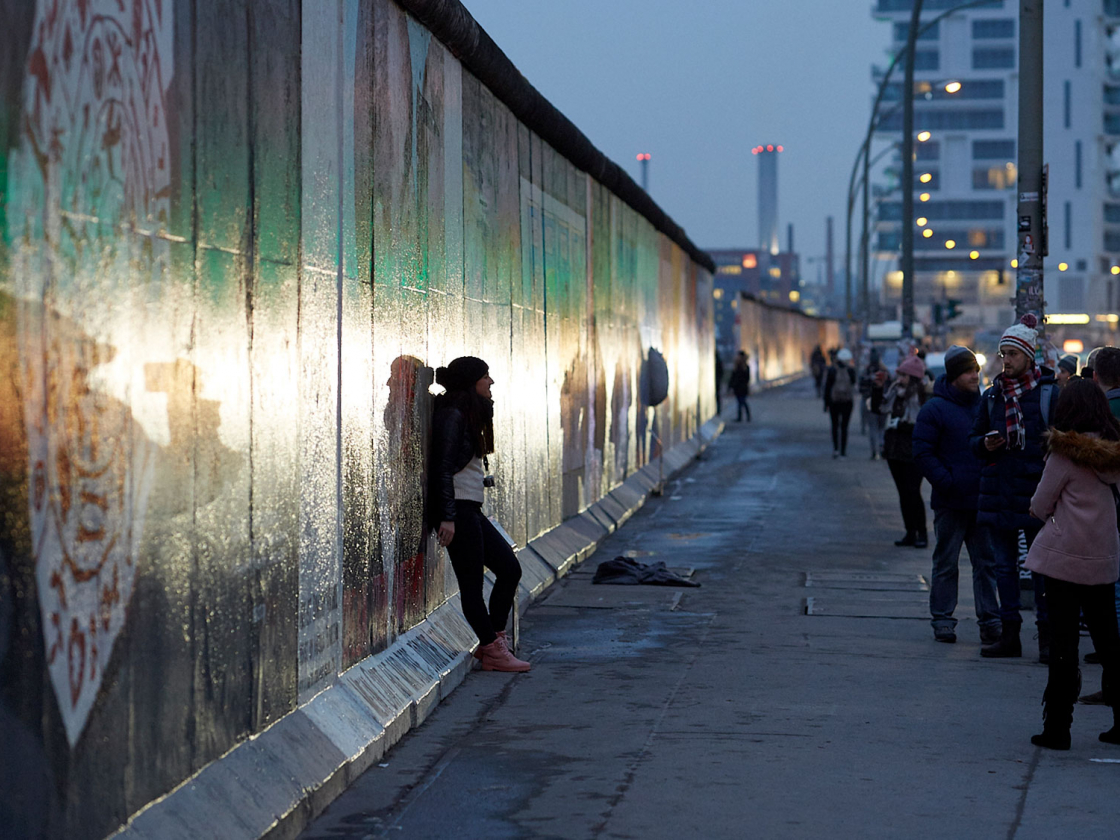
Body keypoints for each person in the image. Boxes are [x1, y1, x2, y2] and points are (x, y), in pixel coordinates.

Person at [1022, 379, 1120, 750]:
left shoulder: (1064, 453)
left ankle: (1058, 727)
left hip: (1064, 560)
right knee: (1109, 641)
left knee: (1064, 644)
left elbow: (1041, 503)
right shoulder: (1115, 452)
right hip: (1104, 556)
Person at [430, 356, 531, 672]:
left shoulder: (469, 413)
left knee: (510, 568)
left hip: (469, 508)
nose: (491, 382)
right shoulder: (453, 414)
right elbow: (442, 467)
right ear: (473, 381)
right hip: (458, 510)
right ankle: (492, 649)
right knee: (472, 587)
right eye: (486, 377)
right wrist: (447, 516)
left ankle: (493, 642)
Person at [969, 315, 1056, 660]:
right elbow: (972, 439)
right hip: (1001, 492)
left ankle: (1047, 638)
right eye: (1003, 354)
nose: (1006, 360)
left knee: (1041, 570)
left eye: (1012, 354)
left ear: (1028, 356)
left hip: (1037, 494)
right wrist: (984, 445)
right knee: (1003, 567)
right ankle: (1011, 635)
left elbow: (1062, 443)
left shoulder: (1049, 395)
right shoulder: (992, 396)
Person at [912, 346, 1000, 645]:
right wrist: (946, 481)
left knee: (986, 564)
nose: (974, 376)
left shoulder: (986, 405)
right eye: (967, 371)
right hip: (950, 502)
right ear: (953, 376)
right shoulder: (934, 409)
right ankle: (943, 619)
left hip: (981, 500)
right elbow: (922, 453)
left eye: (975, 370)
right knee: (946, 563)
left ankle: (990, 620)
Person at [881, 354, 929, 547]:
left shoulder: (921, 396)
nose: (899, 379)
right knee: (902, 492)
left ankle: (922, 534)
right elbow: (880, 408)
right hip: (894, 450)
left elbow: (921, 425)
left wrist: (900, 425)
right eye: (899, 374)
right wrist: (877, 388)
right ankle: (910, 532)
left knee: (913, 491)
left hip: (913, 451)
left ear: (913, 377)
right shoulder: (894, 391)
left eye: (903, 375)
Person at [824, 348, 856, 458]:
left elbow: (827, 388)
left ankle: (836, 449)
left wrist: (826, 404)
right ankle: (843, 451)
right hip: (847, 402)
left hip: (834, 402)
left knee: (834, 426)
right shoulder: (851, 370)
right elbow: (853, 383)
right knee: (844, 427)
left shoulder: (832, 370)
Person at [860, 348, 889, 460]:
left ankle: (874, 450)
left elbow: (861, 388)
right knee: (882, 427)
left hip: (869, 402)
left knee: (872, 427)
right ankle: (882, 447)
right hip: (883, 402)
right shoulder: (885, 371)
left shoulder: (866, 372)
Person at [728, 351, 752, 422]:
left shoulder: (744, 367)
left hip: (741, 388)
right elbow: (733, 377)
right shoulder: (739, 367)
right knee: (741, 402)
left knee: (742, 402)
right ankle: (743, 416)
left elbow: (746, 378)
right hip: (739, 388)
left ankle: (743, 416)